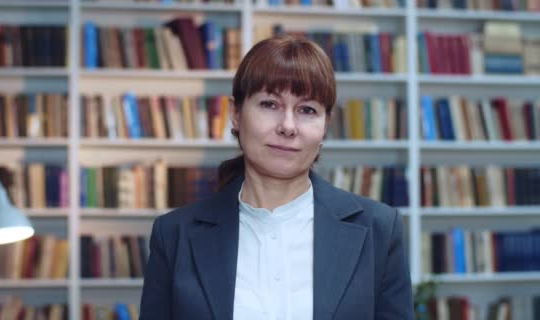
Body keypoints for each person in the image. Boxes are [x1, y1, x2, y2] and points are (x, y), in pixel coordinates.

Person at [139, 35, 414, 320]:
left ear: (324, 127)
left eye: (307, 110)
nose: (288, 126)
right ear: (235, 114)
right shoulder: (174, 235)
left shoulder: (378, 229)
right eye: (270, 104)